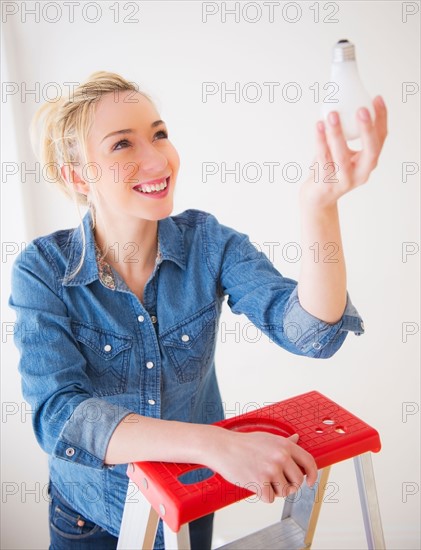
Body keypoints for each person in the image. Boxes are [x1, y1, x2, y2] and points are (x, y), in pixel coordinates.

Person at [9, 71, 388, 550]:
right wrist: (216, 446)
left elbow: (312, 331)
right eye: (122, 145)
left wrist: (319, 207)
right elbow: (62, 416)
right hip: (92, 520)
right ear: (78, 176)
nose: (156, 158)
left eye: (159, 134)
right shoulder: (43, 269)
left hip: (187, 510)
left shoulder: (208, 242)